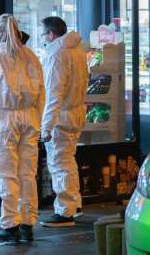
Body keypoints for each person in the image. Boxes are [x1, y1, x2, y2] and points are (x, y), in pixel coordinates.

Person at [0, 14, 45, 244]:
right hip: (30, 118)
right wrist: (40, 119)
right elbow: (42, 92)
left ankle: (10, 224)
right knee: (27, 172)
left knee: (7, 173)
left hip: (5, 120)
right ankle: (28, 222)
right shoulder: (31, 57)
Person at [39, 16, 89, 228]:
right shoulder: (77, 51)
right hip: (77, 112)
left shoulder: (57, 54)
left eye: (44, 34)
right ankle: (74, 204)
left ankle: (65, 211)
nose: (44, 39)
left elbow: (53, 93)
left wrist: (46, 126)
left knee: (59, 162)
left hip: (61, 117)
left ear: (51, 34)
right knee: (68, 160)